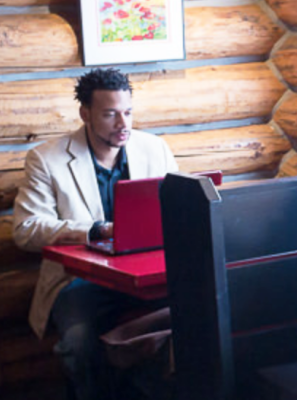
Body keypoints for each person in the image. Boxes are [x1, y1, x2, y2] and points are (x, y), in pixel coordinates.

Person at [13, 68, 178, 400]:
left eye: (128, 112)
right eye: (110, 114)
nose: (123, 124)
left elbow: (179, 208)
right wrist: (93, 231)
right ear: (85, 114)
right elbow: (25, 229)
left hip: (147, 275)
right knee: (78, 344)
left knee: (198, 318)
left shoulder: (154, 148)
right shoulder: (47, 160)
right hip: (78, 280)